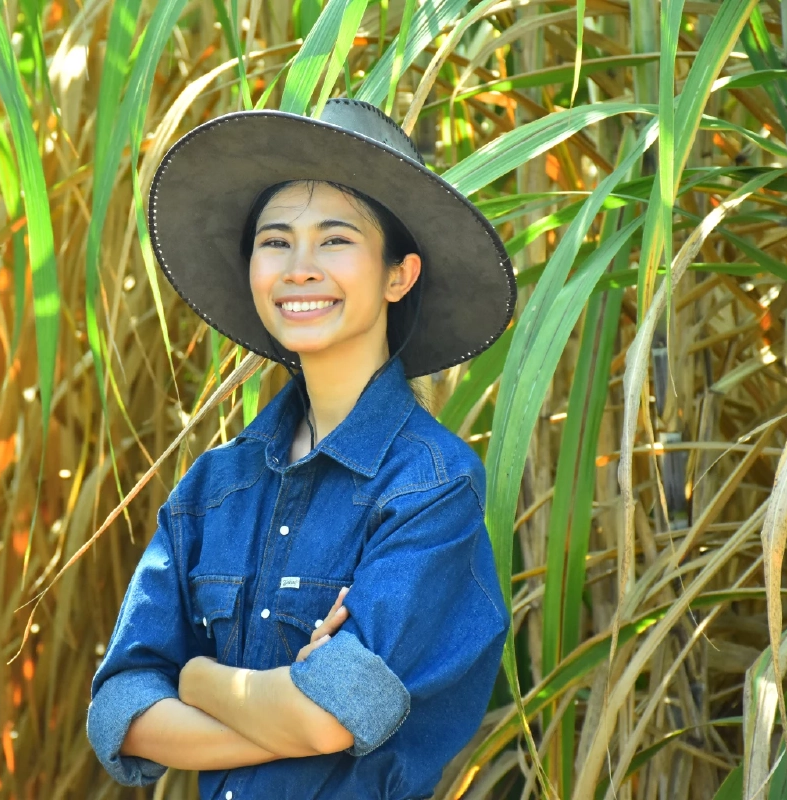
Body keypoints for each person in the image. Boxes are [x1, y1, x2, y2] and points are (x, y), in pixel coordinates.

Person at [86, 97, 515, 799]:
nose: (300, 267)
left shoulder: (431, 488)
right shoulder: (213, 487)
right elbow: (118, 710)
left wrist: (197, 678)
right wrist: (277, 704)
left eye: (336, 240)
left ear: (398, 275)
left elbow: (331, 719)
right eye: (276, 240)